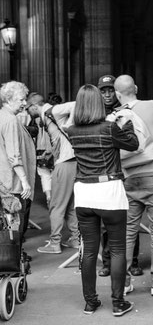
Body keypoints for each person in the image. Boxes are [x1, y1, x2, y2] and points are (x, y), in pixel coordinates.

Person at [65, 84, 139, 316]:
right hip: (110, 191)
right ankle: (118, 303)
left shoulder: (72, 130)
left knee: (88, 251)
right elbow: (133, 144)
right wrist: (126, 124)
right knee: (117, 249)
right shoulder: (109, 128)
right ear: (99, 103)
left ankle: (90, 302)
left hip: (84, 193)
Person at [114, 75, 153, 297]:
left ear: (117, 94)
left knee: (129, 231)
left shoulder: (115, 116)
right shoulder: (152, 105)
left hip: (129, 176)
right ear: (136, 89)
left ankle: (124, 283)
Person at [97, 74, 143, 277]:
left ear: (115, 92)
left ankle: (132, 261)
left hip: (125, 169)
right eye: (103, 90)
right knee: (107, 220)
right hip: (106, 171)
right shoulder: (96, 113)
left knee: (130, 217)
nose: (107, 94)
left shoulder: (125, 111)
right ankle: (107, 262)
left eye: (109, 90)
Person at [34, 99, 79, 253]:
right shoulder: (48, 117)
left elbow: (75, 104)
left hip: (65, 163)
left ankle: (55, 243)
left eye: (28, 109)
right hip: (74, 163)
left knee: (56, 205)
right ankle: (76, 238)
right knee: (70, 206)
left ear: (34, 105)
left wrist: (69, 125)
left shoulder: (51, 111)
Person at [0, 81, 36, 242]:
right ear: (8, 99)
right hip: (13, 183)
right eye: (21, 99)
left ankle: (11, 257)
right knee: (14, 227)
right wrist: (25, 181)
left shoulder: (3, 116)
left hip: (4, 181)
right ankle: (13, 259)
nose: (24, 103)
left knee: (6, 225)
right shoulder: (10, 120)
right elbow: (14, 154)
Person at [26, 93, 53, 207]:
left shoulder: (39, 118)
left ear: (34, 106)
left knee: (45, 175)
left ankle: (49, 197)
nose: (27, 111)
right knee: (48, 175)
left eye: (28, 108)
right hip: (50, 150)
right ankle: (52, 197)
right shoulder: (50, 114)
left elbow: (34, 132)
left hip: (43, 151)